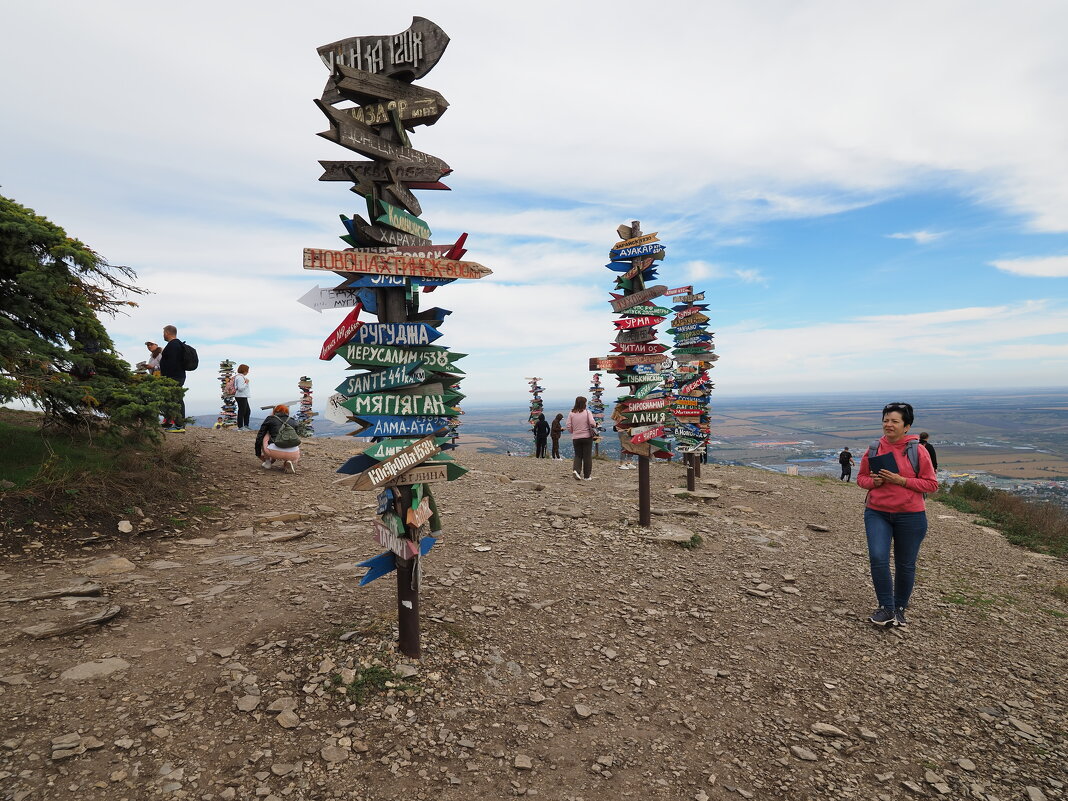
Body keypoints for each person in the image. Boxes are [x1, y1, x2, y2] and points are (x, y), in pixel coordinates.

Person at [857, 402, 939, 627]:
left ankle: (900, 608)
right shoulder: (874, 448)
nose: (888, 425)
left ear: (906, 426)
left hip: (910, 515)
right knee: (877, 557)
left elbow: (931, 484)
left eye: (894, 421)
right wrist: (874, 482)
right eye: (886, 420)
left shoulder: (917, 450)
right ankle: (886, 608)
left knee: (905, 564)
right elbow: (861, 479)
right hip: (877, 512)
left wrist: (901, 480)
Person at [255, 404, 301, 473]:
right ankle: (287, 461)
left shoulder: (270, 419)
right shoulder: (293, 420)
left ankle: (268, 463)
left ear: (275, 411)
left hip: (274, 451)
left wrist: (258, 454)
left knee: (266, 434)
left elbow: (260, 437)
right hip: (294, 453)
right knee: (290, 437)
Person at [158, 325, 187, 432]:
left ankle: (179, 425)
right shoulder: (177, 344)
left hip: (174, 377)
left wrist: (166, 377)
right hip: (177, 376)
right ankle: (173, 423)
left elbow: (172, 363)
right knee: (175, 399)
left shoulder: (173, 345)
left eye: (164, 333)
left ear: (167, 333)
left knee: (177, 400)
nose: (163, 335)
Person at [566, 396, 596, 481]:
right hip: (587, 437)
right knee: (587, 456)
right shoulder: (587, 412)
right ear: (584, 403)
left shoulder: (571, 413)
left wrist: (573, 431)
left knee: (578, 455)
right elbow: (592, 423)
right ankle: (587, 476)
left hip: (576, 437)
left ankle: (576, 471)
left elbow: (568, 425)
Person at [234, 364, 252, 430]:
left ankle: (245, 426)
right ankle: (241, 426)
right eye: (247, 370)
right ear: (244, 370)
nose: (248, 372)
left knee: (247, 411)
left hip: (242, 396)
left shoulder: (238, 377)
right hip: (241, 396)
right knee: (242, 411)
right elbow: (240, 388)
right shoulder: (240, 377)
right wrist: (246, 383)